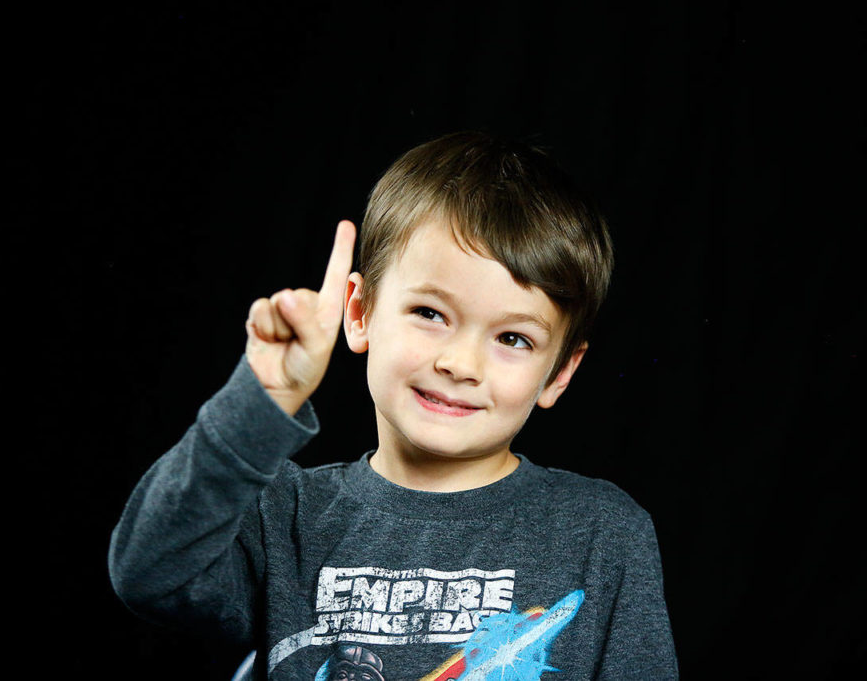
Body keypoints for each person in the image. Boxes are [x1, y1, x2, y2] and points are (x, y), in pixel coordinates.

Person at [109, 131, 679, 680]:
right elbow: (150, 572)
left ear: (559, 372)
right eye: (430, 313)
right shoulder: (284, 516)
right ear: (360, 313)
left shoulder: (602, 531)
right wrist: (263, 402)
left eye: (512, 339)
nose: (460, 363)